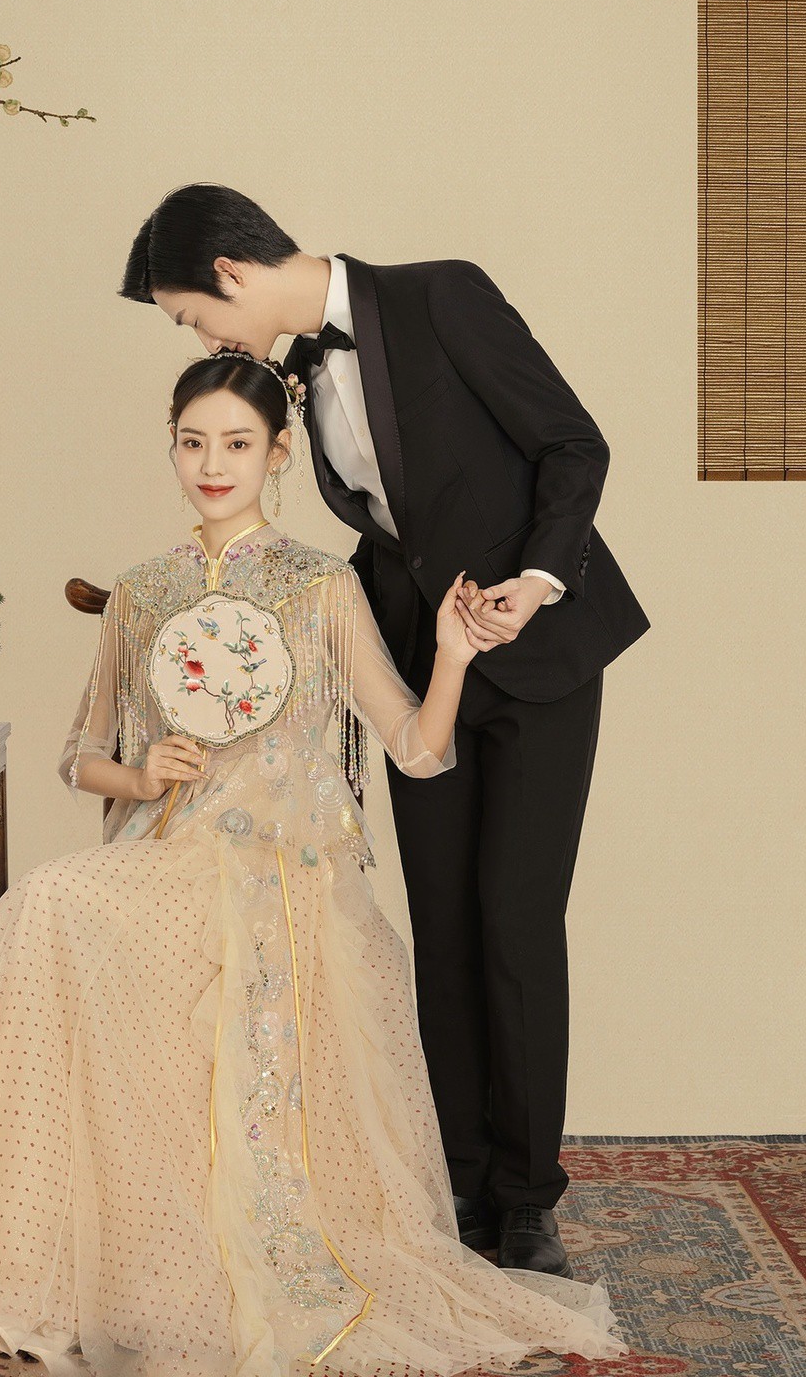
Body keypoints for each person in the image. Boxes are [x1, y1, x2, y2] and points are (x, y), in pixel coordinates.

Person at [0, 353, 629, 1377]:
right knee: (45, 902)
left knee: (60, 905)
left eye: (236, 443)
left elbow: (415, 748)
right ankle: (20, 1257)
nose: (212, 464)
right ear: (172, 450)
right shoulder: (144, 591)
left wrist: (450, 656)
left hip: (292, 876)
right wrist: (140, 775)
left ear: (279, 453)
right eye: (193, 443)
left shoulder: (323, 587)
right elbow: (78, 757)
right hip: (171, 855)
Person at [121, 183, 651, 1278]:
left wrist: (537, 580)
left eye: (190, 317)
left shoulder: (442, 296)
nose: (203, 340)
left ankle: (527, 1200)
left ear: (227, 273)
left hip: (538, 650)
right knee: (442, 928)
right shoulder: (290, 374)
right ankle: (458, 1182)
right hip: (421, 667)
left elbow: (570, 445)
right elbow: (390, 533)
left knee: (514, 922)